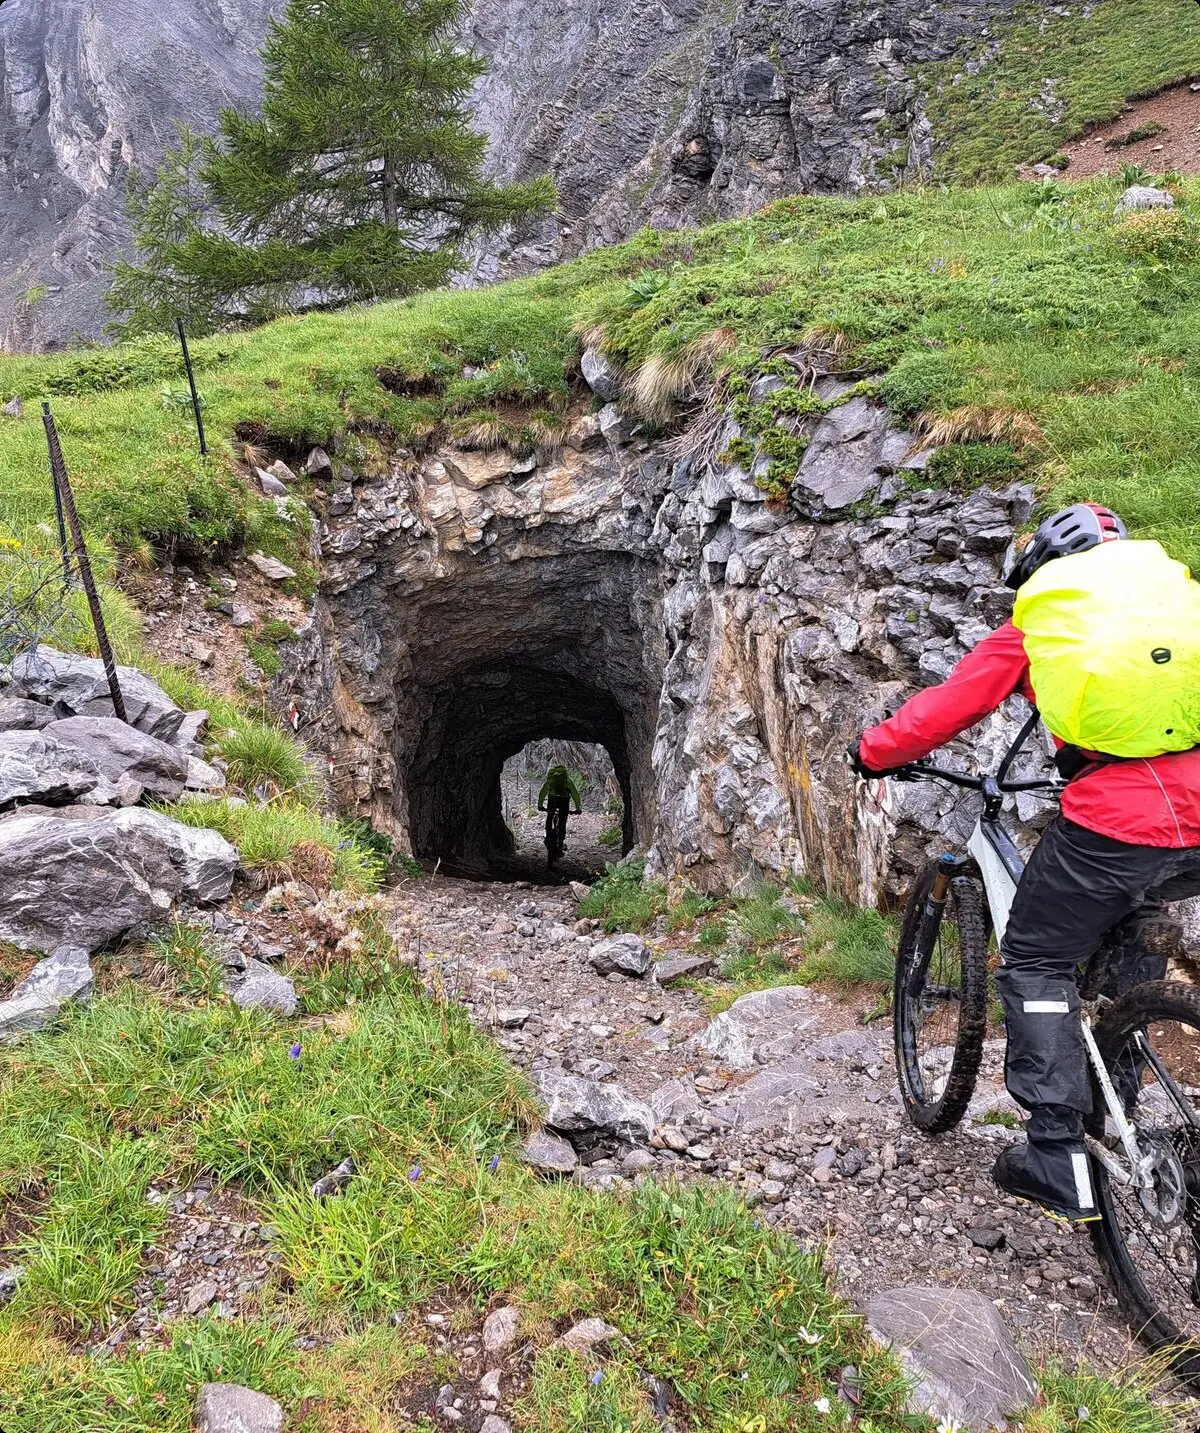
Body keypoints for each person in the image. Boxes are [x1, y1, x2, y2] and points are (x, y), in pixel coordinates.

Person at [849, 503, 1200, 1224]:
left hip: (1121, 818)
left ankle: (1054, 1153)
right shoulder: (1175, 606)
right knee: (1133, 936)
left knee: (1036, 958)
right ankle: (1118, 1106)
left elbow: (947, 706)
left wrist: (872, 751)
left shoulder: (1042, 623)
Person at [538, 764, 583, 861]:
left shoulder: (550, 780)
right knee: (562, 822)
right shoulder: (567, 781)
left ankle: (548, 836)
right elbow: (575, 795)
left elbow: (543, 791)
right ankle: (560, 844)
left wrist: (540, 805)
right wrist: (578, 808)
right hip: (564, 801)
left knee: (550, 817)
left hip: (552, 800)